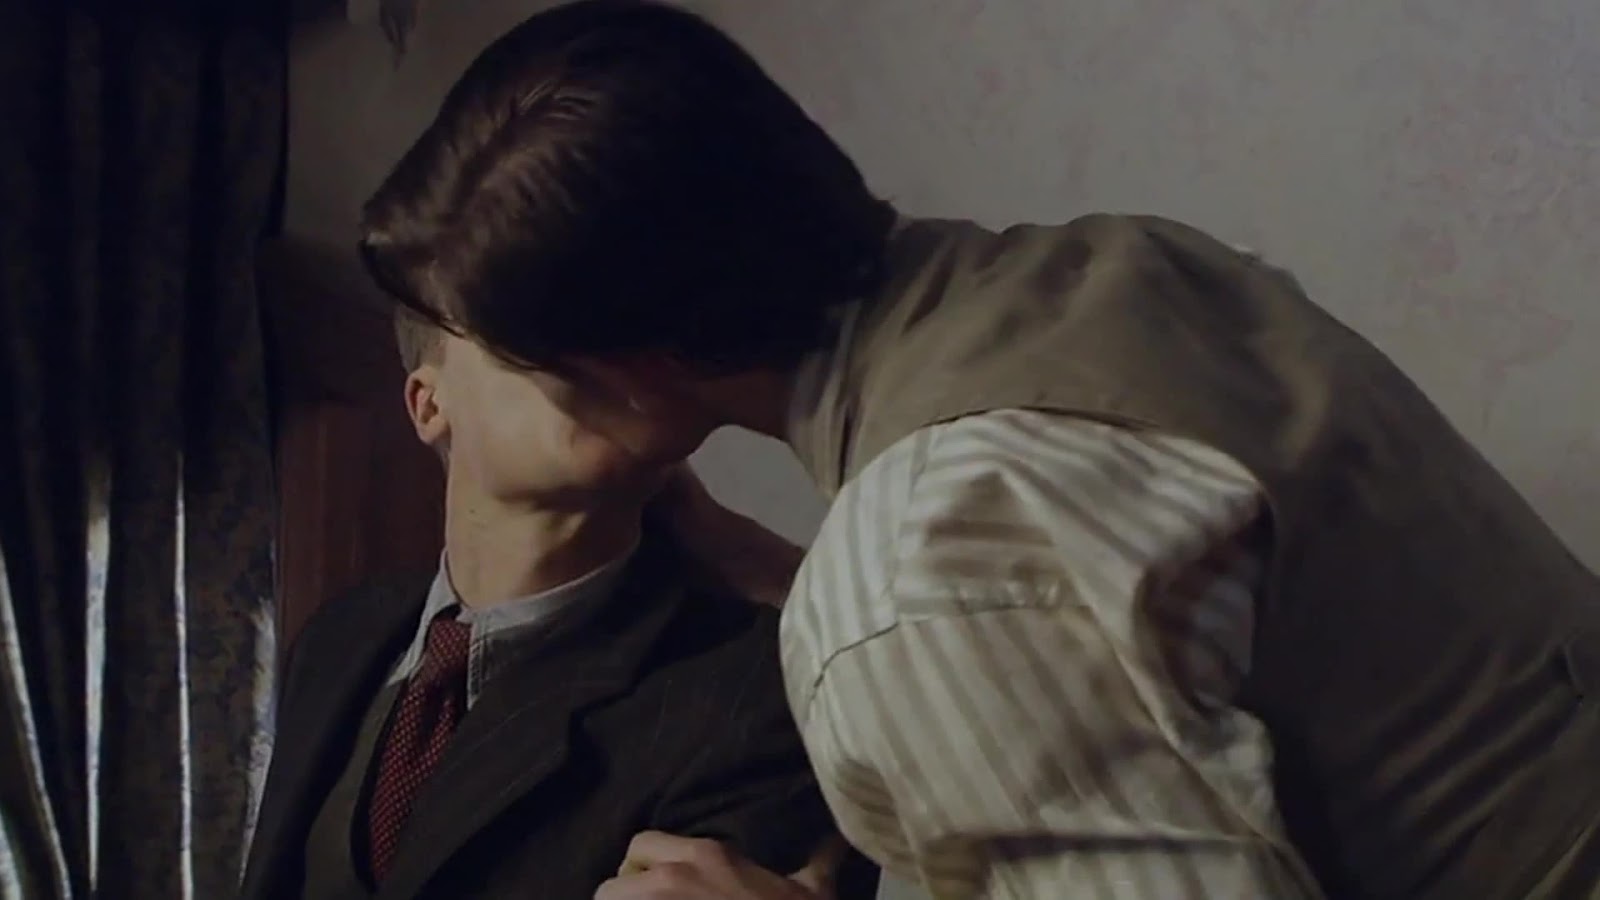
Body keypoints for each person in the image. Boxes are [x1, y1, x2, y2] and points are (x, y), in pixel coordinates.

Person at [354, 2, 1600, 898]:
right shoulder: (1123, 266)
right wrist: (789, 578)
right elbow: (1120, 602)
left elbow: (965, 593)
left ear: (635, 366)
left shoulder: (916, 577)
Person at [238, 308, 876, 899]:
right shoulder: (342, 636)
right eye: (517, 312)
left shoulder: (765, 689)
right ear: (429, 404)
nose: (590, 346)